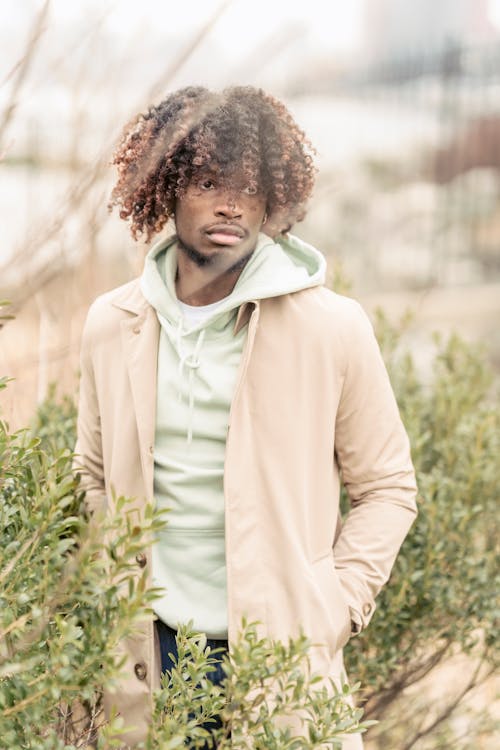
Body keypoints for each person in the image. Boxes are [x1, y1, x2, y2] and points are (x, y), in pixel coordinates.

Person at [75, 85, 417, 748]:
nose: (232, 205)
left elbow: (388, 487)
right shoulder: (109, 325)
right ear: (167, 188)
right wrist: (111, 589)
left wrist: (335, 608)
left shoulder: (335, 329)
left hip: (280, 655)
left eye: (250, 187)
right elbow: (91, 471)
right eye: (207, 182)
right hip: (150, 655)